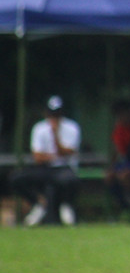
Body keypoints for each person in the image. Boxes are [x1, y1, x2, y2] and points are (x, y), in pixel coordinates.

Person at [9, 95, 81, 226]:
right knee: (17, 178)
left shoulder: (72, 128)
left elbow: (68, 153)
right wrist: (55, 156)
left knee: (70, 180)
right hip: (45, 168)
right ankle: (38, 203)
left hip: (63, 168)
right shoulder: (39, 128)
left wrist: (55, 135)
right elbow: (37, 157)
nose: (54, 118)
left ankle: (66, 206)